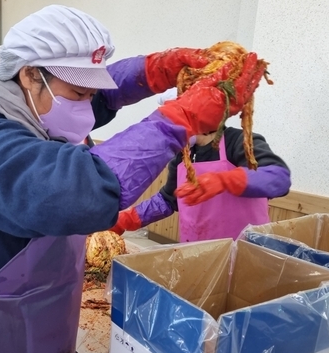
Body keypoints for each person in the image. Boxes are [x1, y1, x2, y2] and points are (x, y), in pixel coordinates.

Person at [0, 4, 266, 353]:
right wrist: (179, 119)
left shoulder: (25, 106)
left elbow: (98, 98)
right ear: (30, 75)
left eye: (91, 92)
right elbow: (79, 188)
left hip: (30, 339)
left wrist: (155, 70)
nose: (90, 107)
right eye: (80, 93)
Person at [110, 92, 291, 241]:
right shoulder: (184, 154)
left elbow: (279, 178)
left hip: (246, 254)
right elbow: (167, 200)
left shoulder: (240, 142)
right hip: (199, 256)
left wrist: (226, 180)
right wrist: (126, 220)